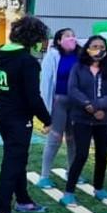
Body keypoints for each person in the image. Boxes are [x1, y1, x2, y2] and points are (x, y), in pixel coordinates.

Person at [0, 16, 52, 213]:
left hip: (3, 114)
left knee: (18, 159)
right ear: (33, 38)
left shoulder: (3, 53)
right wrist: (47, 120)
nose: (44, 43)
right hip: (17, 118)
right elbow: (33, 98)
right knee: (12, 163)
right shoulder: (27, 62)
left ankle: (23, 200)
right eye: (42, 39)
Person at [61, 35, 107, 205]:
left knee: (102, 154)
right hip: (81, 118)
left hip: (104, 119)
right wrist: (88, 105)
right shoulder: (78, 68)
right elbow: (73, 89)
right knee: (81, 154)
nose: (98, 50)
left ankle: (99, 188)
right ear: (87, 49)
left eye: (101, 47)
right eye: (94, 46)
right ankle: (69, 191)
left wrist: (99, 106)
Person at [36, 28, 78, 187]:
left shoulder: (80, 56)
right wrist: (46, 110)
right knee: (55, 138)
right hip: (59, 101)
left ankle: (72, 172)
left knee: (74, 139)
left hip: (76, 103)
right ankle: (44, 176)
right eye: (67, 36)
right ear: (59, 41)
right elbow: (46, 82)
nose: (71, 38)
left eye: (73, 36)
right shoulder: (52, 56)